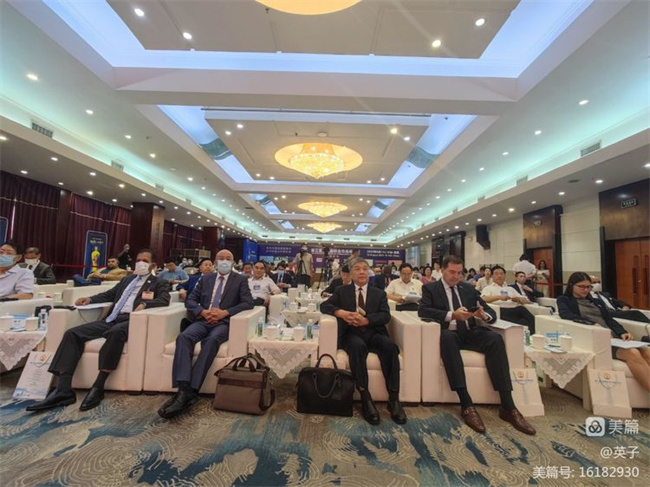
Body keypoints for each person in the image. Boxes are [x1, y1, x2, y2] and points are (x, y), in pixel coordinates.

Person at [26, 249, 170, 412]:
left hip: (132, 321)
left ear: (153, 265)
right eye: (138, 260)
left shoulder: (159, 282)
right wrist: (90, 299)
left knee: (115, 333)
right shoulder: (127, 280)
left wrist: (145, 304)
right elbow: (109, 294)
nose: (140, 263)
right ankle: (63, 389)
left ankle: (98, 386)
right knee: (73, 333)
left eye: (144, 261)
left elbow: (164, 300)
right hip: (111, 319)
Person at [418, 255, 535, 435]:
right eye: (452, 272)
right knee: (448, 338)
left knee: (495, 340)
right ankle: (466, 403)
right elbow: (423, 310)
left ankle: (508, 405)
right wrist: (452, 315)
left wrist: (483, 315)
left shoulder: (468, 289)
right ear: (442, 270)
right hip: (448, 332)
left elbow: (488, 311)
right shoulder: (430, 288)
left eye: (459, 273)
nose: (456, 276)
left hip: (469, 331)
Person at [158, 249, 254, 419]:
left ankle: (192, 389)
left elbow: (248, 303)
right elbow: (190, 300)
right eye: (221, 258)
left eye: (228, 259)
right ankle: (184, 388)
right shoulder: (206, 279)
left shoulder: (240, 280)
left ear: (233, 263)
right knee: (184, 337)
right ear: (215, 262)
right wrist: (202, 311)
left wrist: (225, 312)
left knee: (211, 340)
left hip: (223, 322)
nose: (224, 261)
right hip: (203, 320)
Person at [321, 258, 406, 425]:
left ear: (369, 273)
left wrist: (367, 320)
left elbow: (385, 316)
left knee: (390, 346)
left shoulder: (379, 293)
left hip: (374, 332)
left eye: (365, 269)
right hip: (351, 334)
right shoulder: (341, 291)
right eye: (357, 269)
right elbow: (324, 306)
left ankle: (394, 399)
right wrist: (341, 313)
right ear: (351, 274)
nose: (362, 272)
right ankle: (365, 397)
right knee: (357, 346)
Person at [558, 272, 650, 391]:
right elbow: (566, 315)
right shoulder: (564, 300)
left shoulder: (597, 302)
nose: (586, 290)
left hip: (613, 337)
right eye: (581, 287)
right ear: (571, 285)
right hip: (597, 339)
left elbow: (609, 320)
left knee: (647, 351)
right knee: (633, 353)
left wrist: (622, 332)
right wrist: (592, 324)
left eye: (588, 287)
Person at [481, 266, 536, 334]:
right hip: (501, 311)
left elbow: (526, 300)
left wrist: (518, 299)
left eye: (502, 274)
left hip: (514, 311)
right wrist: (499, 297)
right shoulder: (488, 288)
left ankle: (531, 335)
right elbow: (483, 299)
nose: (499, 276)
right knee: (522, 309)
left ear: (504, 275)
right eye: (496, 274)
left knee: (523, 321)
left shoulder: (510, 288)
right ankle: (535, 332)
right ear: (492, 276)